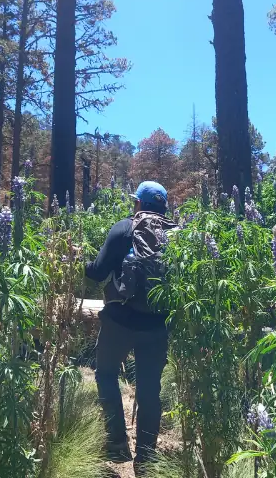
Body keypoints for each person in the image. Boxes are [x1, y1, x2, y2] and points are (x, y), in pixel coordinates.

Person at [84, 181, 176, 472]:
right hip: (157, 325)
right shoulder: (178, 234)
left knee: (107, 374)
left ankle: (116, 444)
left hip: (119, 319)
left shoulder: (124, 228)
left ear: (138, 203)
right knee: (150, 390)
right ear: (164, 207)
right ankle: (146, 461)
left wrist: (79, 259)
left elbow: (97, 273)